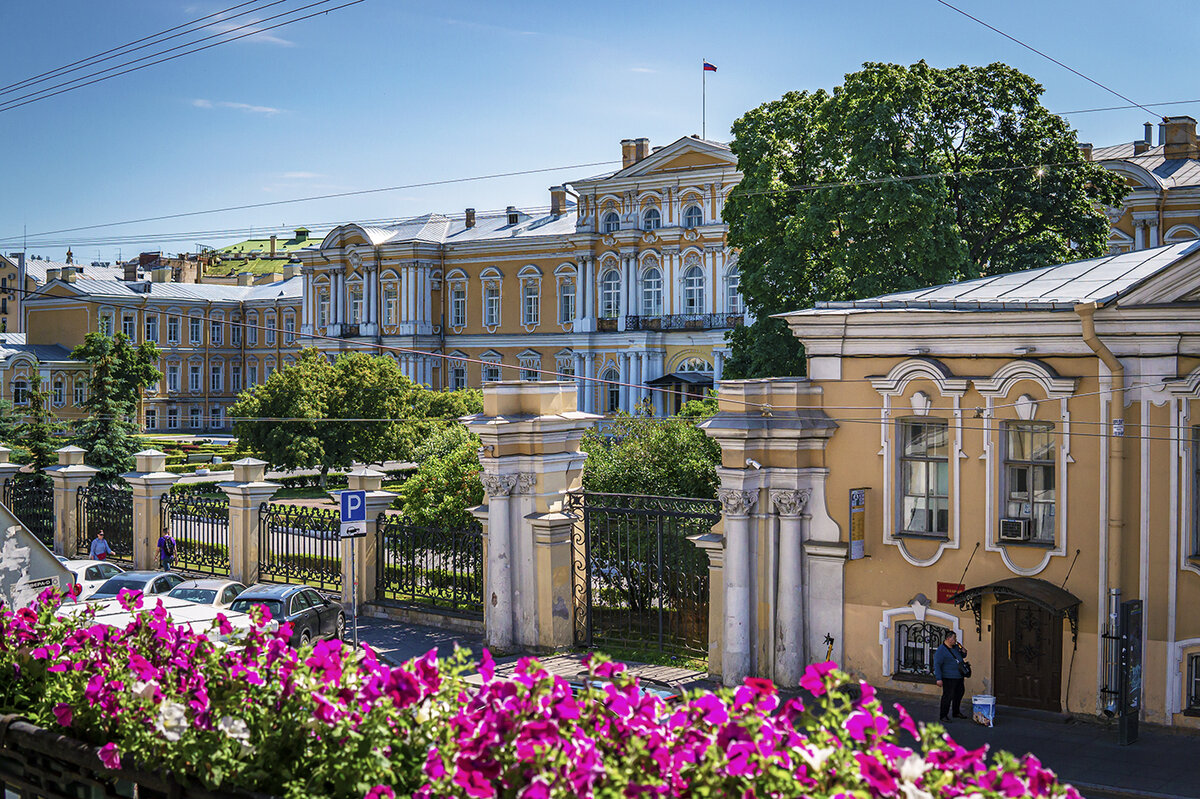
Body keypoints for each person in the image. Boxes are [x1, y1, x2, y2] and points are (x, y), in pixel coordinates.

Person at [934, 631, 970, 723]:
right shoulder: (941, 650)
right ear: (948, 639)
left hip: (959, 676)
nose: (955, 640)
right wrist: (938, 678)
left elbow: (962, 656)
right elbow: (937, 665)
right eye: (954, 638)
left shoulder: (956, 647)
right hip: (948, 677)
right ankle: (943, 715)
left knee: (959, 694)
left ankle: (956, 712)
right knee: (948, 696)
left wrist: (964, 652)